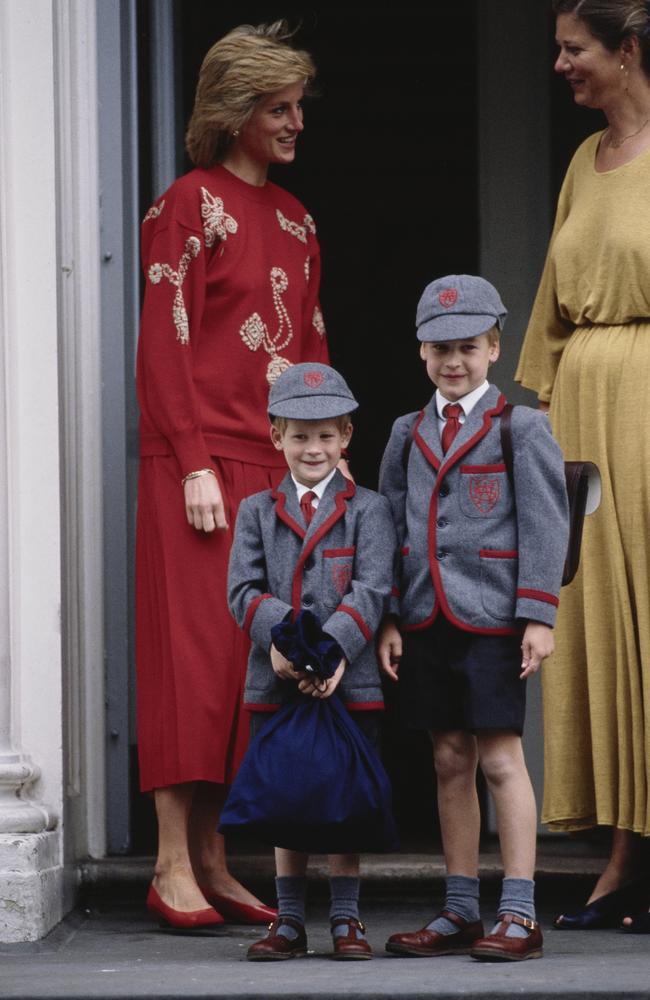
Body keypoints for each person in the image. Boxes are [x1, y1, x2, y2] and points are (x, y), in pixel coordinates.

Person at [136, 21, 329, 930]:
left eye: (298, 106)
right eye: (278, 108)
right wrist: (193, 464)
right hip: (199, 465)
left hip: (274, 461)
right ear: (236, 110)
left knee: (256, 659)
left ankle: (214, 858)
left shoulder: (296, 219)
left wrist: (323, 463)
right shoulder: (189, 203)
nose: (295, 123)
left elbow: (313, 349)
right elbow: (163, 344)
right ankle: (170, 861)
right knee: (195, 657)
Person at [378, 275, 569, 961]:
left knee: (498, 758)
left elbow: (548, 525)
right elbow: (390, 526)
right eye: (439, 349)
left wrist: (538, 615)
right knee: (448, 756)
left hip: (494, 617)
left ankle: (518, 911)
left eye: (466, 347)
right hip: (428, 616)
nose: (452, 362)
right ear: (422, 354)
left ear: (493, 349)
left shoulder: (521, 426)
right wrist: (391, 615)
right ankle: (460, 907)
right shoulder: (406, 432)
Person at [515, 0, 650, 933]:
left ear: (628, 51)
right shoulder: (579, 164)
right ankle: (623, 856)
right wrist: (537, 429)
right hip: (584, 418)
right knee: (597, 623)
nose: (560, 64)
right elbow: (549, 313)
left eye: (575, 49)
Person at [227, 362, 396, 960]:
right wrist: (283, 648)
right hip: (275, 675)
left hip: (349, 678)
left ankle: (347, 919)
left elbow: (373, 588)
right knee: (289, 797)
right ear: (276, 437)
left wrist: (336, 653)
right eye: (298, 435)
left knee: (341, 799)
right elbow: (243, 590)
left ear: (346, 436)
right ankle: (290, 919)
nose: (313, 447)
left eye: (326, 435)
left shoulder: (369, 509)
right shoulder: (254, 510)